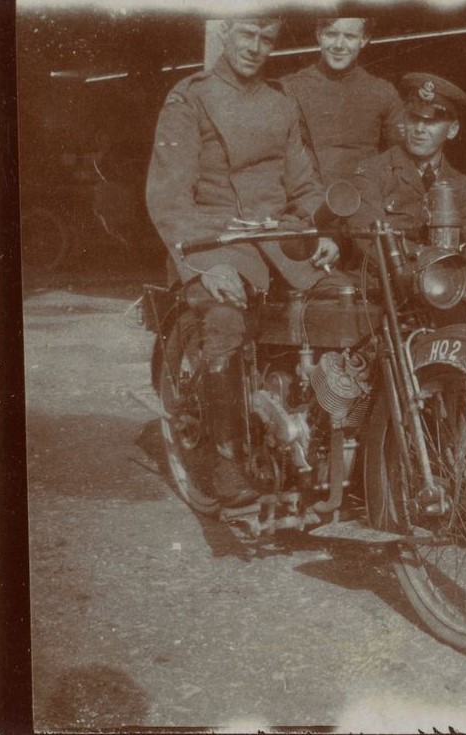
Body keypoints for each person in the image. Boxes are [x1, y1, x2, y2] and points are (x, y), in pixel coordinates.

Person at [146, 17, 341, 506]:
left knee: (349, 304)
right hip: (213, 240)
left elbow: (304, 185)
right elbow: (169, 198)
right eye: (248, 35)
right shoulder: (189, 97)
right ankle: (222, 457)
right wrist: (204, 266)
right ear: (227, 33)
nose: (256, 48)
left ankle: (326, 440)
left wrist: (319, 232)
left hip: (278, 239)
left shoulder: (281, 102)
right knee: (228, 321)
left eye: (267, 39)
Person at [350, 72, 466, 289]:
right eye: (414, 118)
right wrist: (433, 265)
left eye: (431, 122)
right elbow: (368, 242)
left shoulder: (460, 184)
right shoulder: (371, 173)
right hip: (387, 290)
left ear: (452, 130)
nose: (420, 130)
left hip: (444, 288)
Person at [280, 18, 403, 188]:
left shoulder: (383, 92)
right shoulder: (289, 89)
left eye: (350, 36)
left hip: (367, 199)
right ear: (318, 34)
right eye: (331, 34)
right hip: (308, 200)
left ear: (364, 39)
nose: (339, 45)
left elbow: (399, 159)